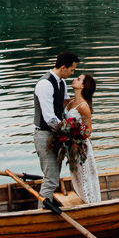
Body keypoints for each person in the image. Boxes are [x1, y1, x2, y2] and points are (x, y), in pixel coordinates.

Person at [33, 51, 78, 200]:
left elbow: (63, 109)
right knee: (51, 179)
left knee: (53, 176)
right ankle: (42, 214)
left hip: (56, 134)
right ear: (63, 67)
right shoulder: (45, 84)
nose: (72, 73)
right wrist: (69, 132)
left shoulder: (62, 83)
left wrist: (73, 125)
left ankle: (46, 209)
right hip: (45, 135)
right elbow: (49, 118)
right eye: (71, 70)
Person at [66, 74, 101, 203]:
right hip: (72, 146)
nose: (74, 79)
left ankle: (89, 202)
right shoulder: (70, 102)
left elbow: (88, 131)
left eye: (78, 79)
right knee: (75, 176)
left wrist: (74, 135)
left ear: (82, 86)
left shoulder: (83, 106)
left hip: (81, 147)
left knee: (84, 176)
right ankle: (83, 201)